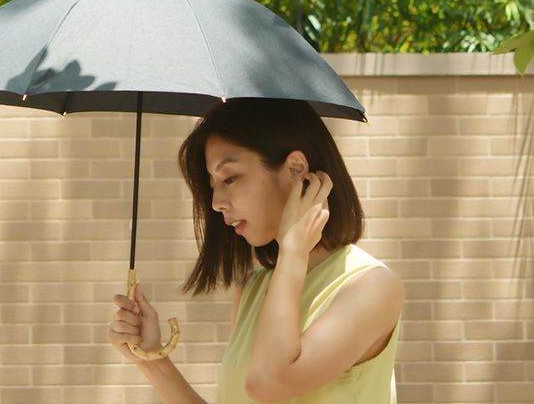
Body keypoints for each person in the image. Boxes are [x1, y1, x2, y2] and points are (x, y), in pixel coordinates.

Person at [108, 98, 405, 403]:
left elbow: (267, 384)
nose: (216, 202)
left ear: (296, 168)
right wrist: (152, 359)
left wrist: (293, 251)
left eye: (230, 178)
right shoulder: (252, 289)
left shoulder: (372, 287)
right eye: (213, 184)